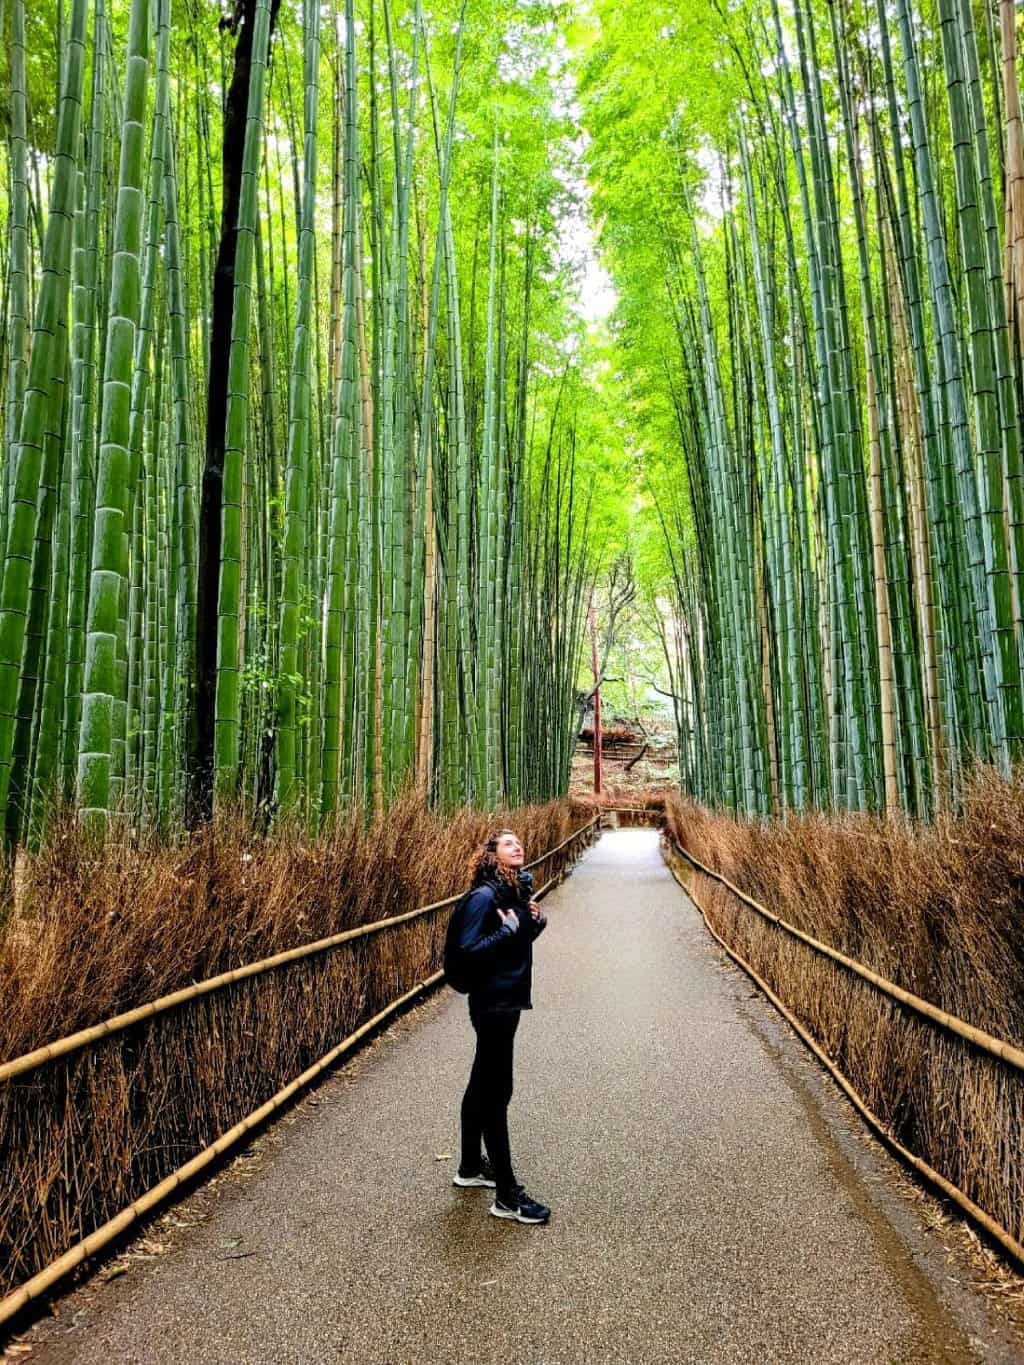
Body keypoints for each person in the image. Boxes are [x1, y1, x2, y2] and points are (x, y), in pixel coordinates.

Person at [451, 829, 551, 1225]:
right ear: (490, 854)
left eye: (519, 842)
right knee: (497, 1093)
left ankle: (471, 1167)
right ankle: (507, 1195)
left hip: (506, 1000)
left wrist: (532, 926)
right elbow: (468, 950)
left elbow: (510, 944)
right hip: (492, 1003)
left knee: (481, 1086)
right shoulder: (484, 896)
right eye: (508, 843)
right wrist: (508, 931)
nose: (518, 845)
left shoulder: (511, 894)